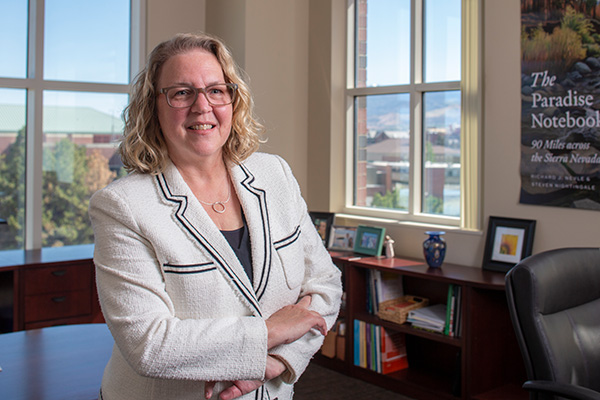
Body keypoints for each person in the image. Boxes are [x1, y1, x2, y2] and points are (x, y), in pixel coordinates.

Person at [89, 32, 343, 400]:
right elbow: (150, 344)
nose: (201, 106)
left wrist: (278, 362)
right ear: (153, 107)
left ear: (233, 101)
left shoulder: (275, 175)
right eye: (181, 92)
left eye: (216, 90)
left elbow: (325, 285)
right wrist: (269, 333)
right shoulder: (122, 205)